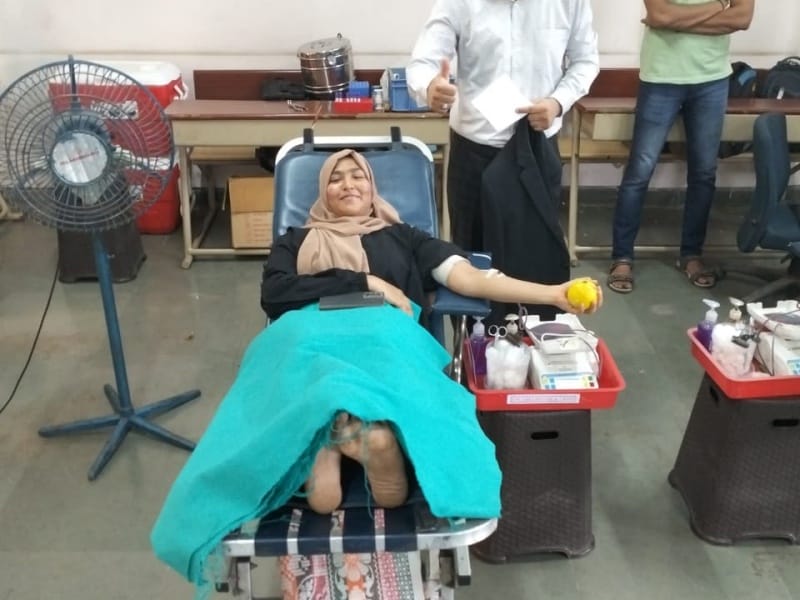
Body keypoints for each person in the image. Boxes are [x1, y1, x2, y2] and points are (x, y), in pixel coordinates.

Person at [261, 149, 603, 513]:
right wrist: (367, 282)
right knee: (308, 362)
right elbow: (274, 293)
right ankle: (358, 434)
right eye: (335, 178)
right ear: (322, 191)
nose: (348, 184)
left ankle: (330, 437)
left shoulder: (405, 238)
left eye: (358, 176)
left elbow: (470, 279)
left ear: (372, 187)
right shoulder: (295, 241)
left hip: (384, 338)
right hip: (314, 338)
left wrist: (553, 294)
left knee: (361, 371)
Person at [405, 0, 599, 323]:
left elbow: (585, 61)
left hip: (537, 147)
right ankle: (473, 346)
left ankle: (537, 341)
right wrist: (429, 86)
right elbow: (423, 62)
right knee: (472, 258)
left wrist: (557, 102)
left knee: (537, 254)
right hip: (475, 150)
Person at [606, 0, 755, 294]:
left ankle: (691, 255)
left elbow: (742, 17)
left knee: (704, 173)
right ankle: (621, 258)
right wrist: (718, 6)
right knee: (640, 171)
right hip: (661, 76)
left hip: (712, 79)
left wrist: (678, 21)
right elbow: (660, 15)